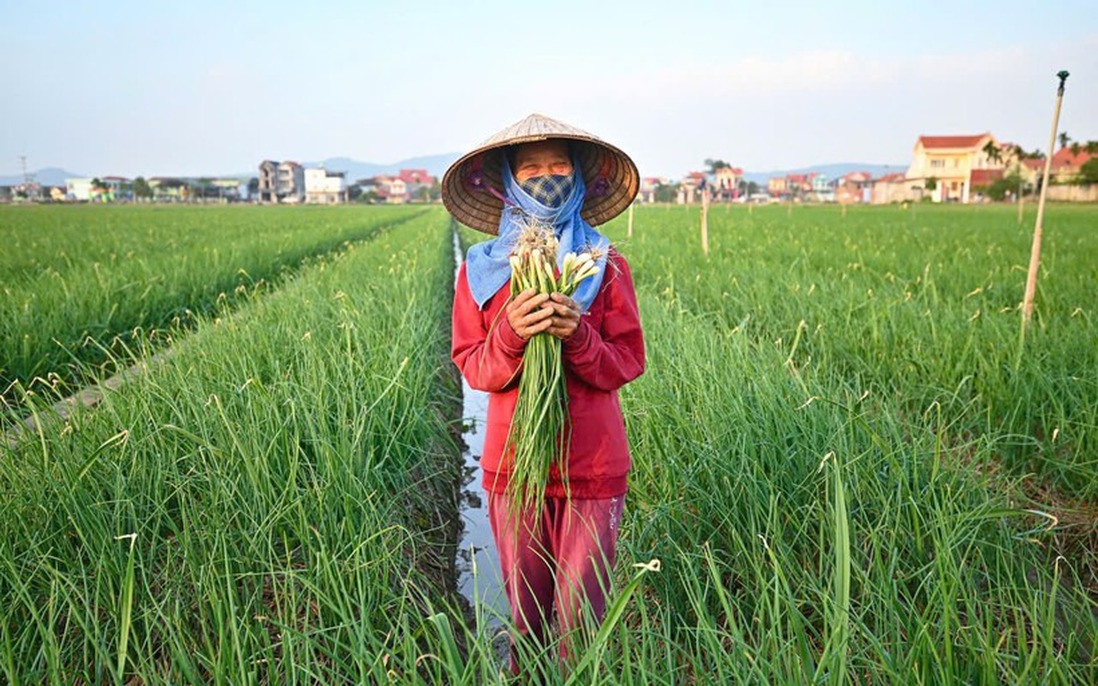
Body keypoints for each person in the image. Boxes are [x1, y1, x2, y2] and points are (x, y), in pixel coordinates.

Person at [442, 113, 645, 674]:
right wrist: (512, 330)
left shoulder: (605, 265)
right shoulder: (483, 272)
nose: (546, 179)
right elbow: (474, 368)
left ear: (579, 179)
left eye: (559, 167)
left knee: (581, 628)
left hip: (593, 466)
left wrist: (576, 333)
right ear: (509, 181)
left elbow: (628, 361)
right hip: (514, 465)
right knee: (526, 625)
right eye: (531, 169)